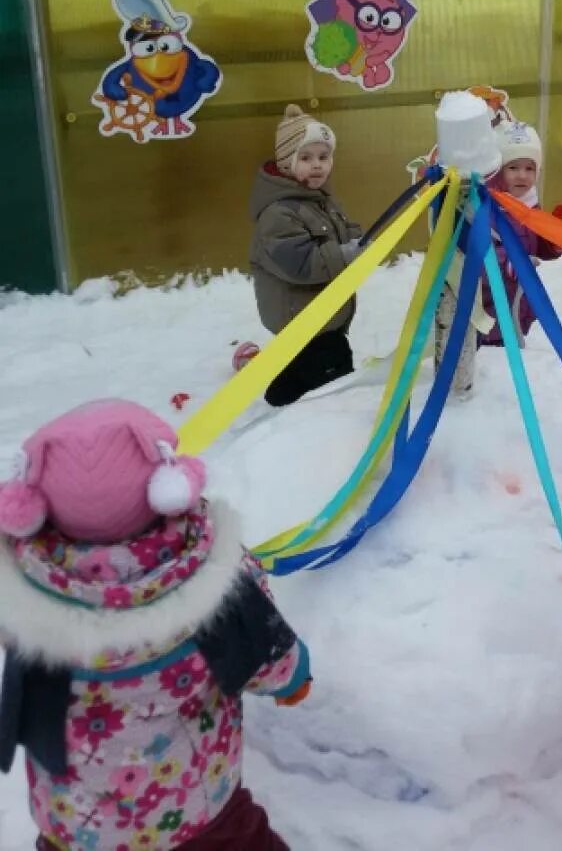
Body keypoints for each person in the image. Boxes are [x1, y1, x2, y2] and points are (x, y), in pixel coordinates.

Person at [0, 400, 310, 850]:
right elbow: (266, 650)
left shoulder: (22, 589)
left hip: (75, 823)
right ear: (167, 489)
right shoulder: (206, 578)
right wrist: (295, 679)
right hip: (194, 805)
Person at [250, 104, 361, 406]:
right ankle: (325, 418)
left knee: (305, 366)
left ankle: (281, 396)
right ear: (286, 162)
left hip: (320, 314)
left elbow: (341, 229)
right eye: (306, 157)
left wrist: (360, 239)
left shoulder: (319, 199)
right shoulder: (278, 213)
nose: (318, 166)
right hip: (303, 317)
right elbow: (300, 263)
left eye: (324, 157)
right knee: (334, 372)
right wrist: (346, 254)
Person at [478, 120, 561, 348]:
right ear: (497, 170)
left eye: (529, 168)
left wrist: (553, 243)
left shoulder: (530, 204)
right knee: (491, 361)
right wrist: (508, 261)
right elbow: (477, 253)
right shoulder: (487, 206)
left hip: (518, 301)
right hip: (488, 306)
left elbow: (538, 247)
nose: (522, 176)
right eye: (513, 167)